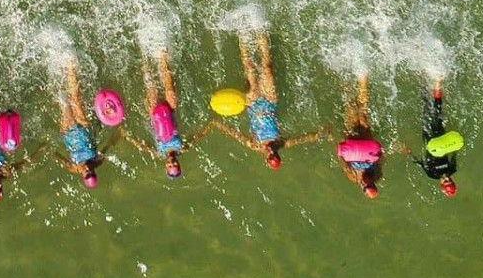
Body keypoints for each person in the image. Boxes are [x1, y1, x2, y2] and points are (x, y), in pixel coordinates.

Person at [213, 28, 322, 167]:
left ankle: (243, 34)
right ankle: (260, 29)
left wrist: (220, 125)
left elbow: (236, 135)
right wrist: (318, 135)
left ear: (266, 158)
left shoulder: (255, 144)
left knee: (249, 68)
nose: (272, 153)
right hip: (270, 101)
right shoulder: (280, 143)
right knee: (267, 68)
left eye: (271, 156)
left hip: (253, 103)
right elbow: (301, 139)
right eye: (275, 155)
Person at [391, 80, 461, 196]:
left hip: (428, 138)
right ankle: (437, 85)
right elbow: (453, 151)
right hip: (440, 136)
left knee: (426, 111)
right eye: (450, 180)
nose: (447, 179)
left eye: (445, 182)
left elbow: (421, 162)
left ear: (441, 185)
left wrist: (408, 152)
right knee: (437, 114)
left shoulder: (432, 174)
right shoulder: (452, 169)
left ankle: (423, 84)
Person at [135, 48, 194, 178]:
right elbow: (198, 136)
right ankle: (162, 53)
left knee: (150, 85)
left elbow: (142, 146)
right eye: (175, 166)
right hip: (170, 111)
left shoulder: (158, 152)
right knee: (171, 92)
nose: (172, 163)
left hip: (155, 115)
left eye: (170, 166)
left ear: (165, 166)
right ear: (179, 164)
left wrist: (128, 137)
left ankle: (144, 55)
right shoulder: (183, 147)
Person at [56, 60, 107, 188]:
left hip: (68, 132)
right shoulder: (97, 161)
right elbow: (108, 145)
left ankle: (58, 72)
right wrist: (120, 133)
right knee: (76, 98)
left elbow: (57, 156)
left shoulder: (73, 168)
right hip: (83, 127)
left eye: (87, 175)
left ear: (83, 177)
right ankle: (70, 65)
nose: (88, 171)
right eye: (92, 174)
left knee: (63, 102)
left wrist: (50, 151)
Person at [335, 74, 382, 198]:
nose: (365, 184)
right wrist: (342, 145)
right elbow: (341, 157)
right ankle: (359, 76)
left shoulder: (357, 176)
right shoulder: (357, 176)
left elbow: (381, 157)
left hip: (360, 137)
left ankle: (360, 76)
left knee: (358, 108)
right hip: (358, 137)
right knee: (358, 108)